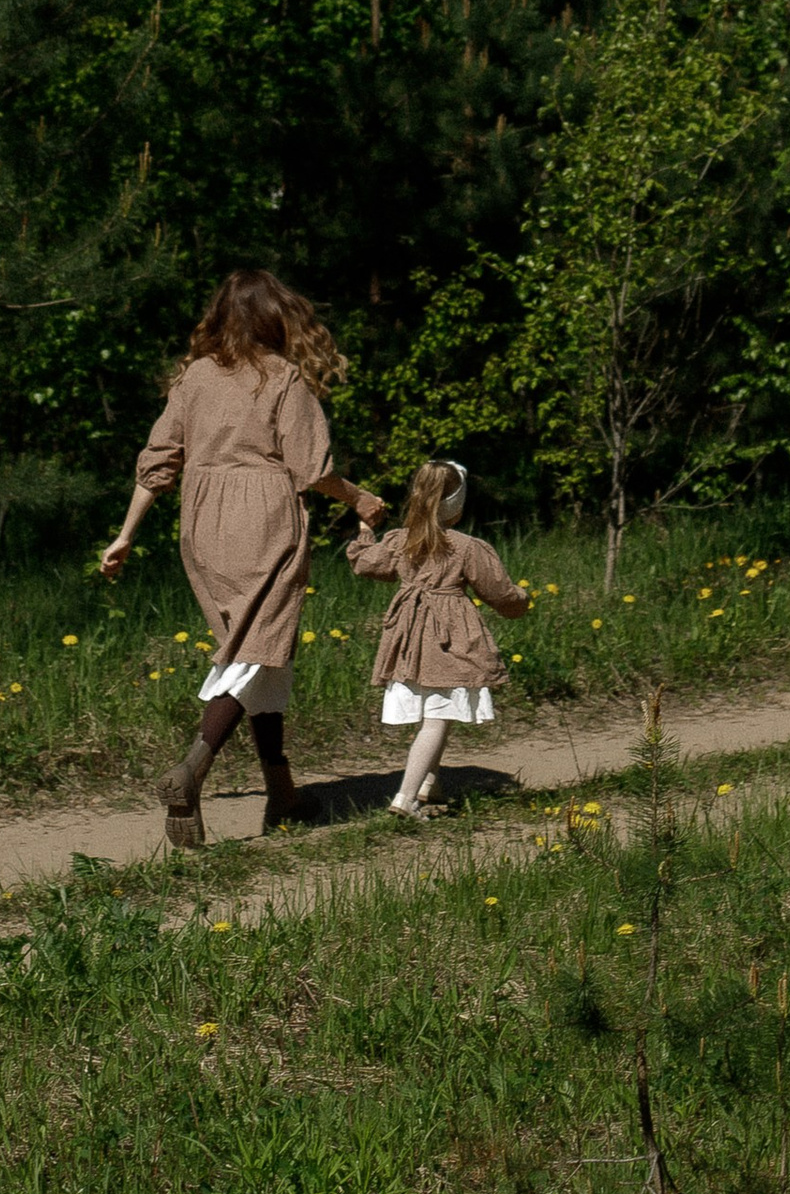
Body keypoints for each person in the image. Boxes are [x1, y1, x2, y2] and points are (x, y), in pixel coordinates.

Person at [99, 268, 383, 847]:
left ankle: (282, 794)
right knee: (255, 649)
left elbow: (158, 459)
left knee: (262, 652)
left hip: (202, 524)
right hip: (264, 518)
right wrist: (361, 498)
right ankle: (192, 769)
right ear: (274, 317)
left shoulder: (196, 377)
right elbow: (313, 468)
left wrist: (126, 533)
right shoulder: (283, 377)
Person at [346, 458, 529, 820]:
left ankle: (429, 784)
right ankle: (406, 798)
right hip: (449, 639)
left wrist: (365, 531)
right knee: (437, 718)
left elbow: (367, 563)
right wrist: (520, 599)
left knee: (434, 709)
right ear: (456, 505)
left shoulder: (400, 540)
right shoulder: (465, 547)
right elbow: (498, 592)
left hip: (408, 636)